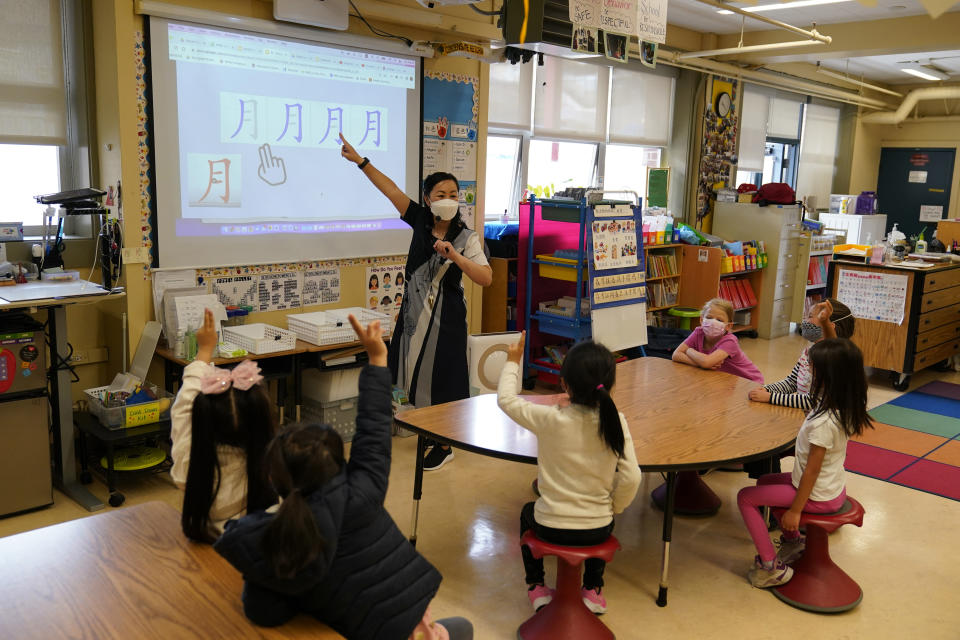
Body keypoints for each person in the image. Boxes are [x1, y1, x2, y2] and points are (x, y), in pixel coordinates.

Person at [213, 316, 473, 640]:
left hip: (369, 628)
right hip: (411, 620)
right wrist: (377, 360)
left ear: (277, 479)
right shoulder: (364, 487)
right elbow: (373, 428)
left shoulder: (278, 536)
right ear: (338, 461)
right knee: (462, 628)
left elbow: (263, 611)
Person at [340, 133, 492, 471]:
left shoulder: (467, 237)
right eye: (441, 194)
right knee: (409, 372)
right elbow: (391, 189)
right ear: (428, 198)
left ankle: (445, 443)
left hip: (447, 318)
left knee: (443, 378)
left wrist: (455, 256)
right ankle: (425, 429)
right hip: (412, 313)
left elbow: (485, 277)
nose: (449, 199)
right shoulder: (420, 220)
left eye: (454, 194)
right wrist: (361, 161)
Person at [497, 333, 642, 615]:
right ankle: (593, 588)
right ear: (610, 385)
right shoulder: (617, 422)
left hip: (549, 524)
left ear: (564, 384)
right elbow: (632, 477)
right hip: (597, 528)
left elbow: (505, 400)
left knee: (527, 512)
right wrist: (614, 507)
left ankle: (536, 586)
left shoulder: (549, 418)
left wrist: (513, 361)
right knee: (605, 520)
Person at [736, 338, 873, 588]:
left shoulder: (824, 422)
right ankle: (792, 543)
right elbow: (842, 353)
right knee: (766, 479)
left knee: (745, 497)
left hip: (816, 495)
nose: (808, 373)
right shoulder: (845, 401)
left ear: (828, 375)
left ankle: (770, 567)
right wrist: (826, 324)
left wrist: (795, 512)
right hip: (831, 487)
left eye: (813, 369)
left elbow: (812, 470)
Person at [170, 309, 277, 543]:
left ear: (201, 417)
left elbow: (184, 406)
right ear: (264, 421)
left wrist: (204, 351)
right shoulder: (273, 469)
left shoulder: (189, 462)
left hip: (204, 550)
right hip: (253, 555)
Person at [749, 299, 854, 410]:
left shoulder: (834, 361)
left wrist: (771, 397)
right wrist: (767, 389)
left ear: (828, 325)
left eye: (810, 316)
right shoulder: (808, 351)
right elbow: (792, 382)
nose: (805, 321)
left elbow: (816, 401)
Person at [672, 297, 764, 384]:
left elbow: (706, 362)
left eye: (719, 320)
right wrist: (698, 363)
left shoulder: (730, 341)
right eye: (709, 317)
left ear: (728, 326)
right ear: (701, 319)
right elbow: (676, 355)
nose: (713, 322)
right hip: (724, 380)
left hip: (749, 382)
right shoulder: (698, 332)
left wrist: (689, 350)